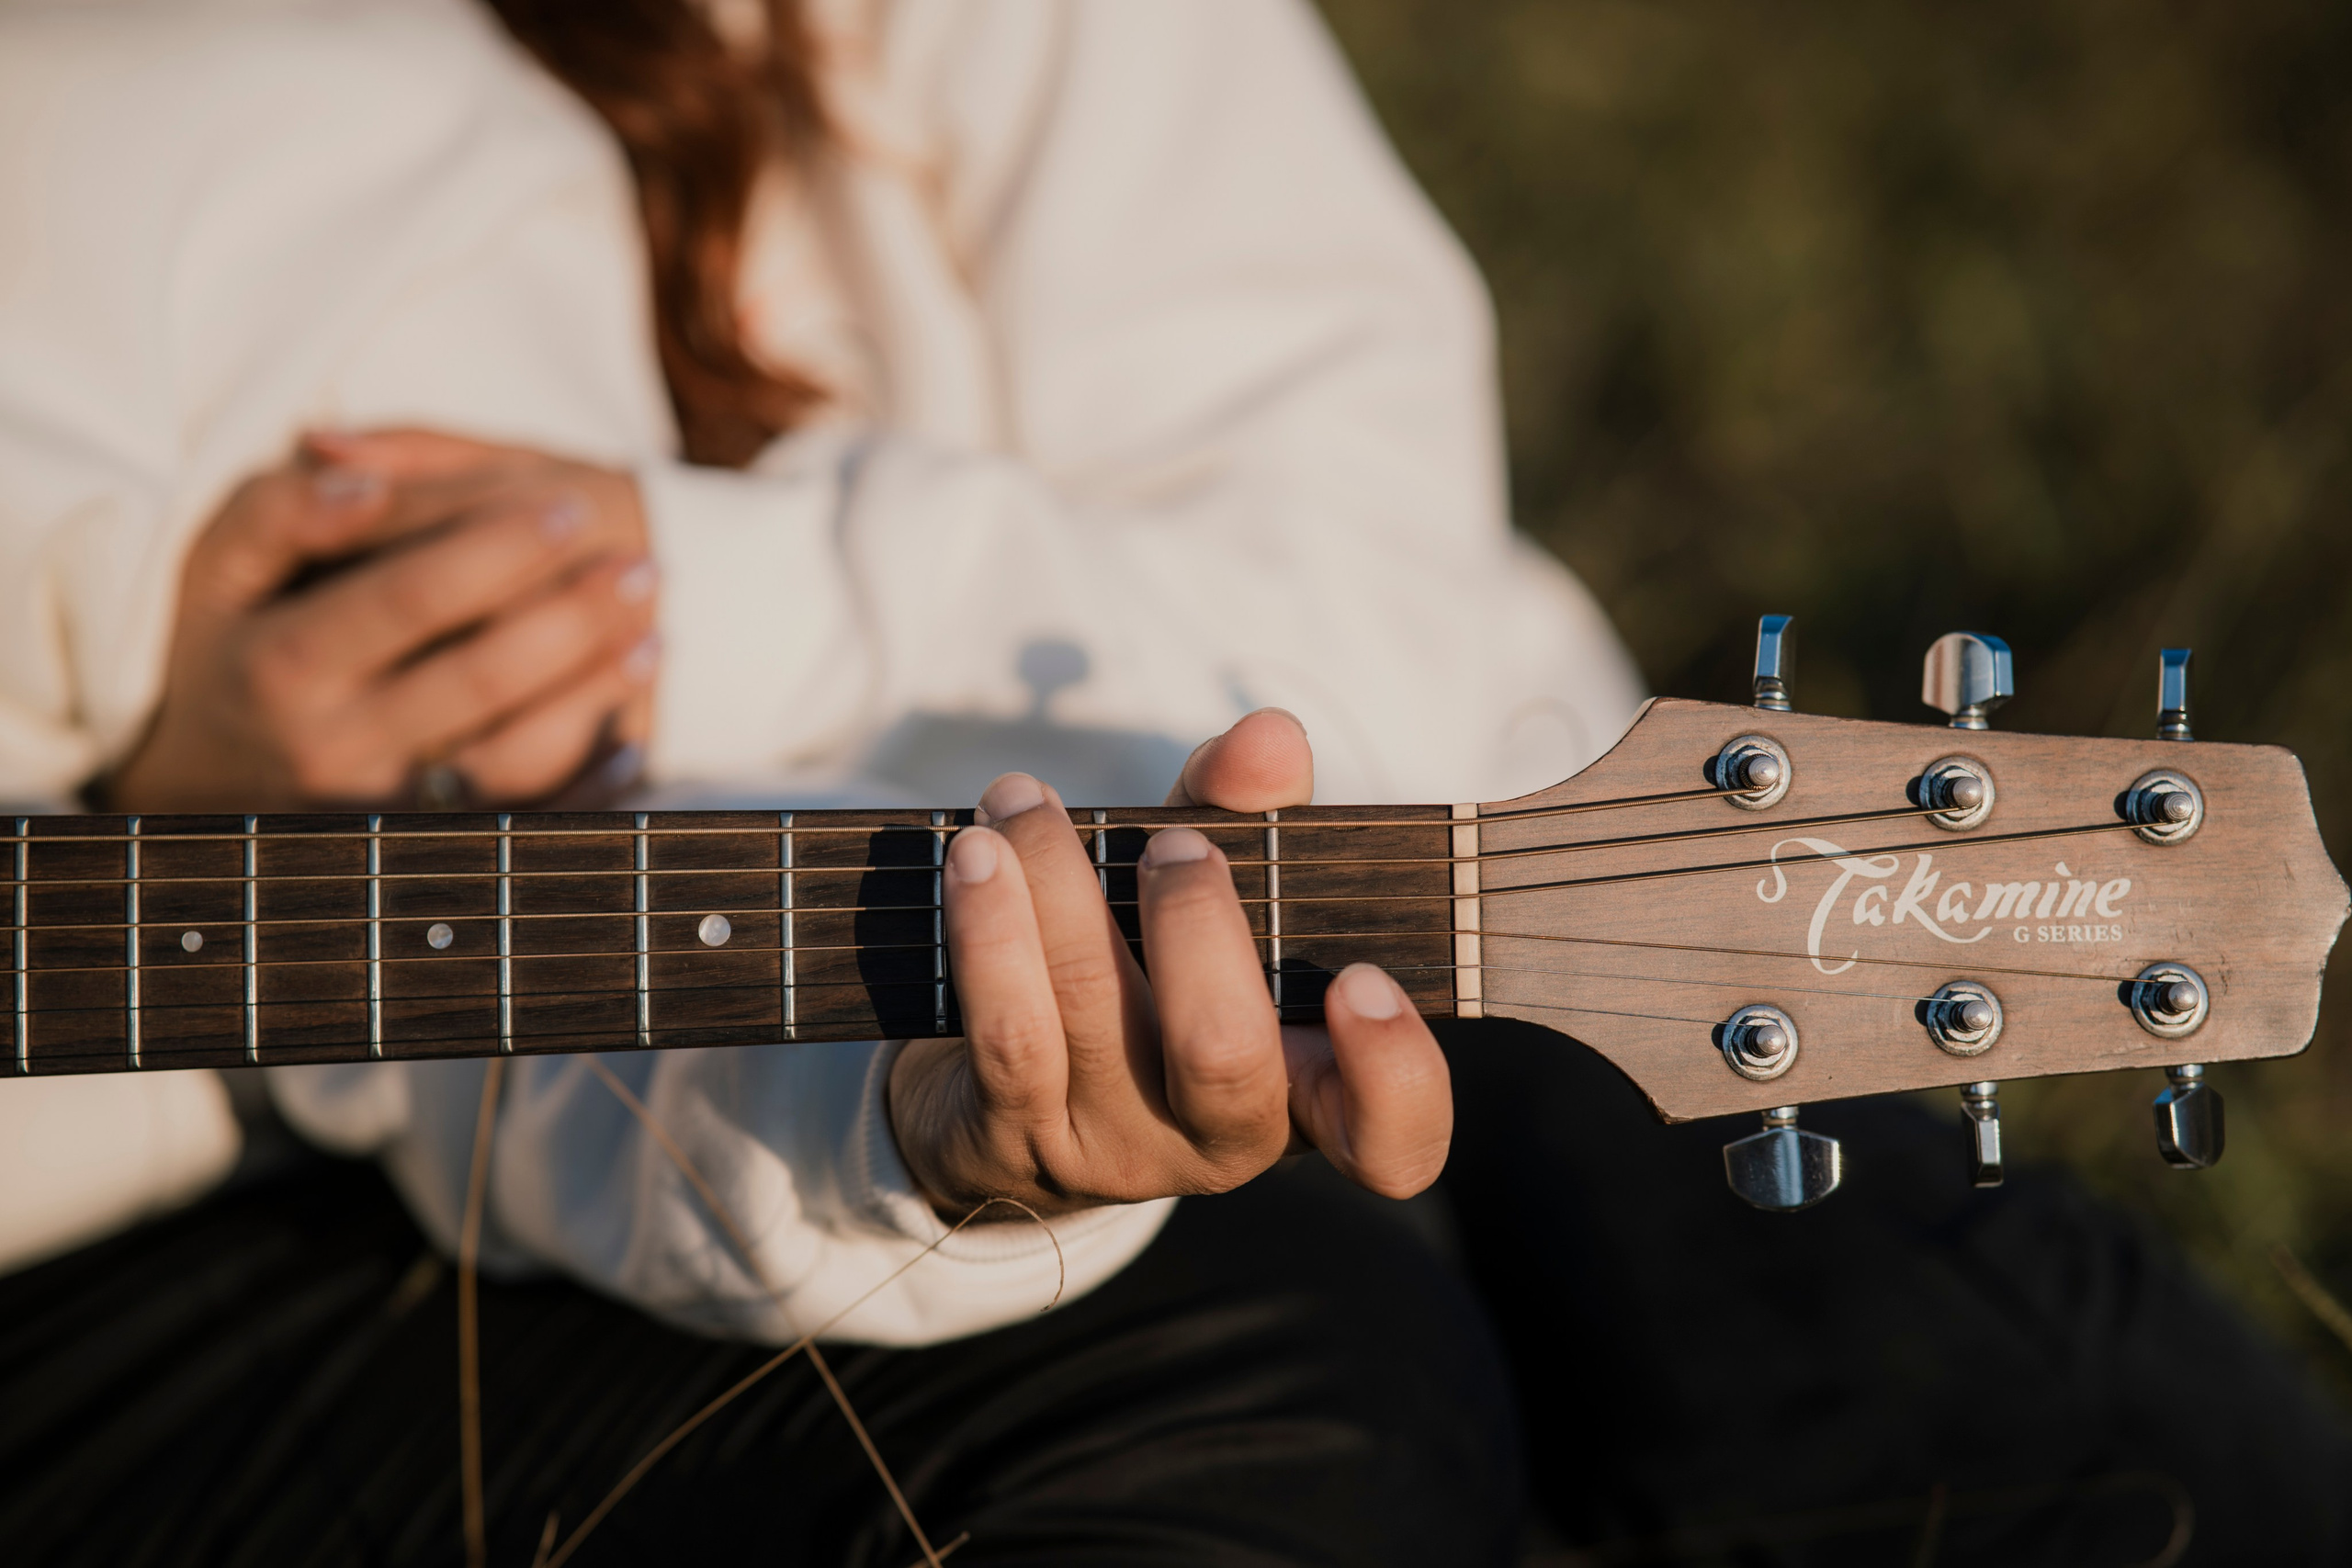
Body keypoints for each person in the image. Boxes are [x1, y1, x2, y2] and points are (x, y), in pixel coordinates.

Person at [6, 3, 2350, 1565]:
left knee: (2087, 1429)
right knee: (1285, 1381)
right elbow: (469, 992)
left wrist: (732, 591)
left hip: (1419, 916)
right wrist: (170, 822)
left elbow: (1394, 635)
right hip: (388, 1160)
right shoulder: (219, 135)